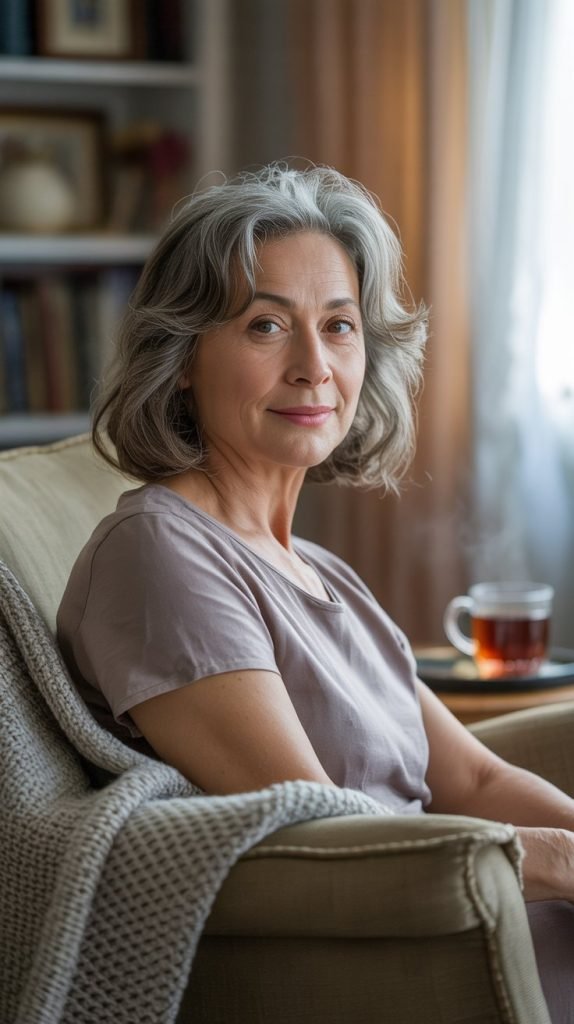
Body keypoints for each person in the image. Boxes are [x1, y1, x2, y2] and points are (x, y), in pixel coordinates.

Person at [57, 163, 573, 1019]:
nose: (313, 367)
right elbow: (325, 829)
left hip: (491, 916)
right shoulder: (161, 551)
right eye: (265, 326)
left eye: (338, 326)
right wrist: (551, 859)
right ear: (182, 358)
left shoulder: (320, 569)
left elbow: (474, 781)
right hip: (401, 952)